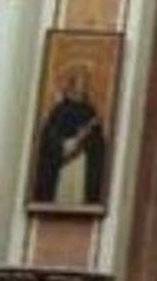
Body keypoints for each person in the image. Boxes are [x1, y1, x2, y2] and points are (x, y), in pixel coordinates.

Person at [33, 67, 105, 206]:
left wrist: (88, 137)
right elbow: (50, 137)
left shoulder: (89, 110)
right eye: (81, 83)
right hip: (64, 164)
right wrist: (67, 144)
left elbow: (97, 140)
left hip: (82, 163)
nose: (83, 86)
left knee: (78, 193)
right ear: (73, 85)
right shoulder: (60, 110)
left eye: (85, 83)